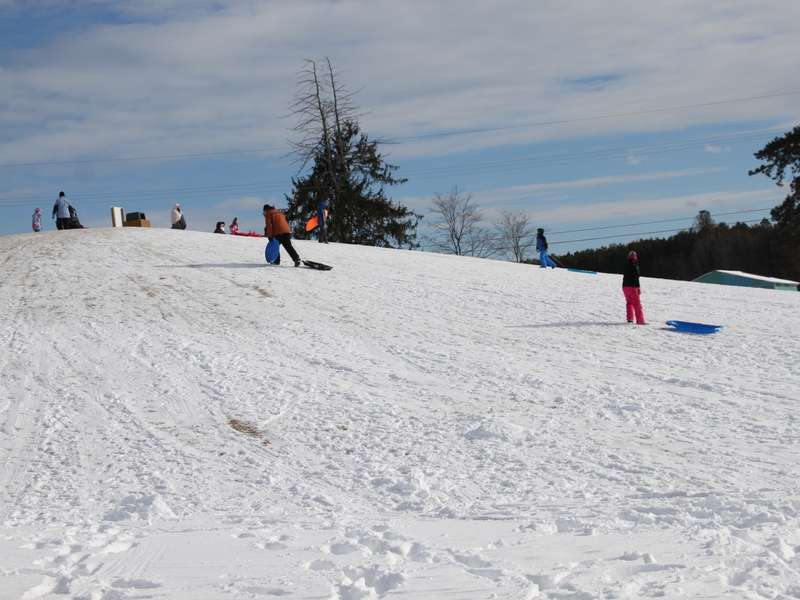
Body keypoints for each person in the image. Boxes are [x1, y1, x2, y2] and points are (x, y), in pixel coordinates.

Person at [622, 250, 646, 324]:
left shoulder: (626, 266)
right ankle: (640, 320)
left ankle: (630, 319)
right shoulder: (635, 266)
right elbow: (636, 277)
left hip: (625, 287)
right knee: (637, 304)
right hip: (633, 287)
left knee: (629, 303)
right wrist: (638, 287)